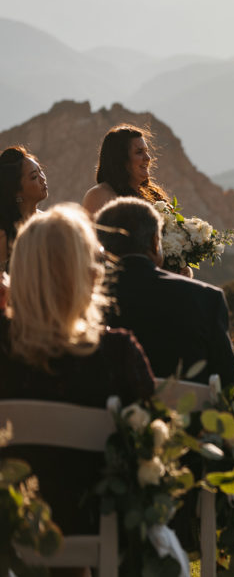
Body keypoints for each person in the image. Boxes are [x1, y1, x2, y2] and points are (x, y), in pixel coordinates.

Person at [0, 204, 155, 537]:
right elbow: (152, 450)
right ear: (88, 275)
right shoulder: (117, 356)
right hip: (99, 533)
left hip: (8, 533)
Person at [95, 196, 234, 386]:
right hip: (192, 413)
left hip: (108, 415)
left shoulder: (87, 302)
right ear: (155, 242)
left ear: (103, 248)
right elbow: (231, 386)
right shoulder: (207, 299)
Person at [82, 124, 169, 215]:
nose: (148, 158)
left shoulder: (153, 196)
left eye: (146, 151)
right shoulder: (100, 195)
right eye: (139, 152)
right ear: (120, 158)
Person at [0, 146, 49, 269]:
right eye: (34, 177)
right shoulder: (4, 237)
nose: (43, 179)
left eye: (40, 171)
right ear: (17, 190)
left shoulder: (48, 221)